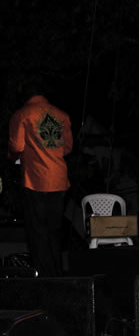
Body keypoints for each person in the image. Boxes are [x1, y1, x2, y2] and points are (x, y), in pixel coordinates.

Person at [8, 81, 73, 277]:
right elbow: (68, 148)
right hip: (59, 181)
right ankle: (57, 273)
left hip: (35, 181)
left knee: (37, 231)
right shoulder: (62, 115)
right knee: (54, 229)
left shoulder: (22, 114)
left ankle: (45, 276)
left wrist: (15, 157)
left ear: (25, 97)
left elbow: (17, 146)